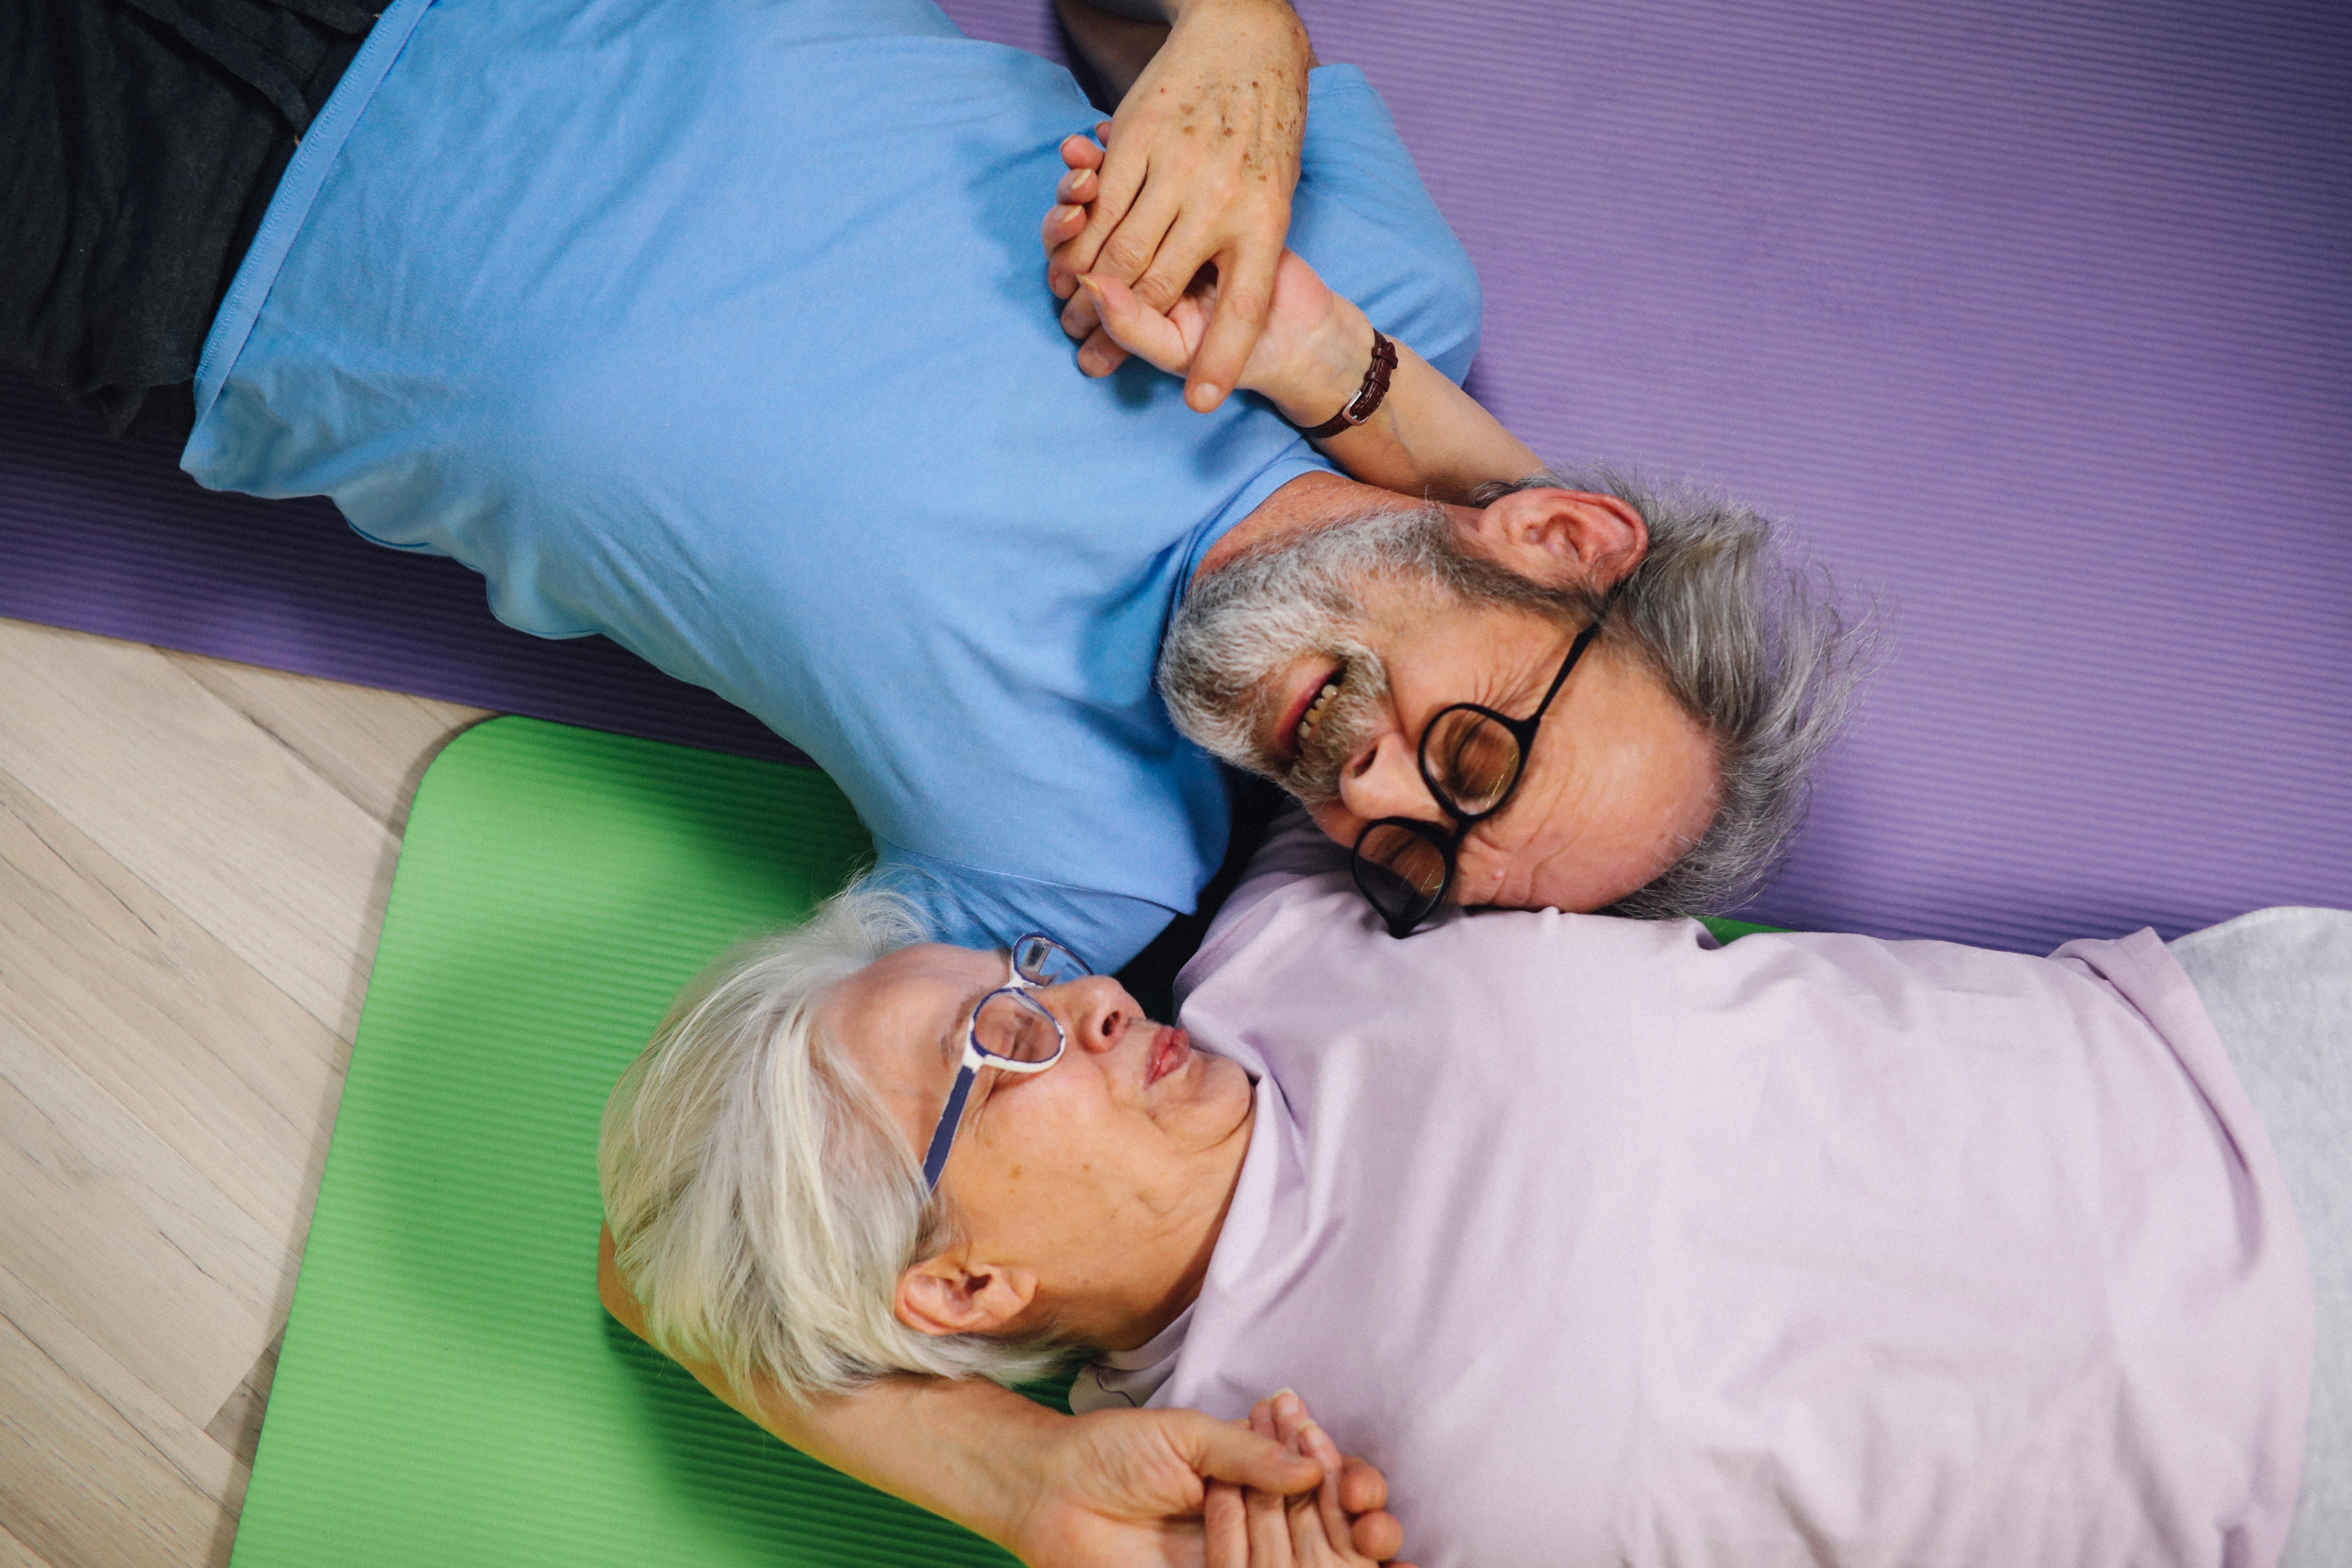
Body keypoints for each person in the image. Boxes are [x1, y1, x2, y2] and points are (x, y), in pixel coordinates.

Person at [6, 0, 1864, 976]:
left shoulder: (1081, 865)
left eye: (1419, 870)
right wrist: (1244, 30)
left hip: (185, 248)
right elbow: (1140, 28)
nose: (1369, 796)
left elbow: (796, 1145)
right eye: (1471, 763)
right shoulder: (1389, 287)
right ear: (1549, 541)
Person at [600, 815, 2348, 1567]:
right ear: (958, 1288)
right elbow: (649, 1280)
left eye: (1032, 963)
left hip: (2261, 1073)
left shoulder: (1285, 933)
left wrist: (1001, 1472)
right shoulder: (1251, 1512)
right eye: (1001, 1039)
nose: (1087, 999)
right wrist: (1038, 1492)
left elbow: (627, 1271)